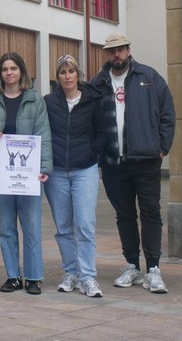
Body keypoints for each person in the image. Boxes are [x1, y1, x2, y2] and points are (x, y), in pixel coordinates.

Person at [91, 32, 175, 294]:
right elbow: (91, 121)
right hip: (113, 163)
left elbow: (167, 114)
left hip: (146, 160)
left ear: (128, 50)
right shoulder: (99, 83)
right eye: (111, 51)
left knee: (151, 213)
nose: (116, 55)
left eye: (121, 49)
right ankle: (132, 265)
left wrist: (162, 147)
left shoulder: (149, 78)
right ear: (107, 54)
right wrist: (98, 154)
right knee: (125, 215)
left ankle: (153, 269)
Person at [0, 52, 52, 295]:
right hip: (2, 170)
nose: (9, 73)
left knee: (31, 225)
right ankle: (12, 276)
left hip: (29, 173)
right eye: (5, 69)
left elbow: (44, 135)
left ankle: (32, 277)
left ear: (22, 71)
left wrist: (44, 168)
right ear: (0, 73)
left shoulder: (35, 100)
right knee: (7, 225)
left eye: (14, 68)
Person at [44, 55, 105, 298]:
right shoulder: (49, 102)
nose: (67, 76)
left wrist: (93, 153)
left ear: (77, 74)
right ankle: (71, 272)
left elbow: (102, 131)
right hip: (57, 172)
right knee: (63, 227)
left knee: (85, 225)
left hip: (85, 170)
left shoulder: (93, 101)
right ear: (57, 77)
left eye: (71, 71)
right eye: (62, 72)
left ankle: (88, 276)